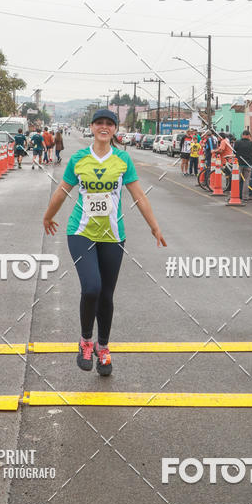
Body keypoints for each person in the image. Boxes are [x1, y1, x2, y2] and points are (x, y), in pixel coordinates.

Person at [43, 108, 166, 376]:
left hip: (113, 235)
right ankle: (86, 341)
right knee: (91, 288)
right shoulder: (78, 158)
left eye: (109, 124)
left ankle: (103, 347)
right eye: (99, 122)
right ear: (92, 126)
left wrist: (154, 227)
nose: (103, 127)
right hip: (81, 232)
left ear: (114, 129)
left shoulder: (122, 160)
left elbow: (139, 196)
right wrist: (48, 216)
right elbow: (63, 191)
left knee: (107, 295)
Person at [234, 130, 252, 201]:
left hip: (239, 163)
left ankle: (236, 195)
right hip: (248, 163)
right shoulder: (251, 144)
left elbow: (235, 150)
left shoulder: (237, 142)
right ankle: (245, 197)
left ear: (242, 135)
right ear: (248, 135)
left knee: (237, 180)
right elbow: (251, 152)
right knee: (246, 181)